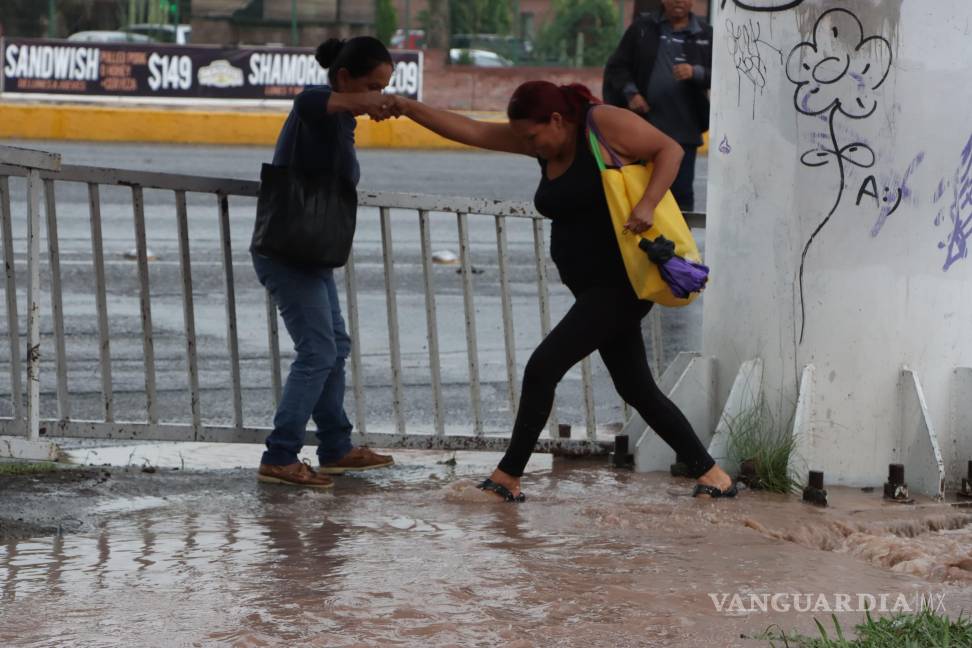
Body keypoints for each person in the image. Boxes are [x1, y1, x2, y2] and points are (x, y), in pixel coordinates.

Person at [390, 81, 736, 501]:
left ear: (556, 119)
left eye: (532, 137)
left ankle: (507, 479)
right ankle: (712, 475)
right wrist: (407, 108)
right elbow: (472, 130)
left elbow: (671, 150)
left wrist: (647, 204)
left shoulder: (601, 124)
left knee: (543, 367)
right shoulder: (543, 144)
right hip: (591, 287)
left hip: (620, 285)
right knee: (636, 388)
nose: (528, 146)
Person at [251, 36, 397, 488]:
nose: (376, 97)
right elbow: (307, 99)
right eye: (372, 87)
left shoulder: (341, 123)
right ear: (344, 79)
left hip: (311, 255)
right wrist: (360, 104)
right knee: (318, 352)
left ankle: (335, 447)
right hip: (287, 254)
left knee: (335, 345)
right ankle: (280, 454)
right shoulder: (318, 109)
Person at [602, 0, 712, 212]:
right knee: (638, 191)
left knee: (680, 196)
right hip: (643, 128)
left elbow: (726, 74)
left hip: (684, 130)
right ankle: (639, 241)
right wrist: (631, 93)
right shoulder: (642, 28)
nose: (678, 1)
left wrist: (695, 72)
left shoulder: (707, 35)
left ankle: (679, 243)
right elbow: (617, 66)